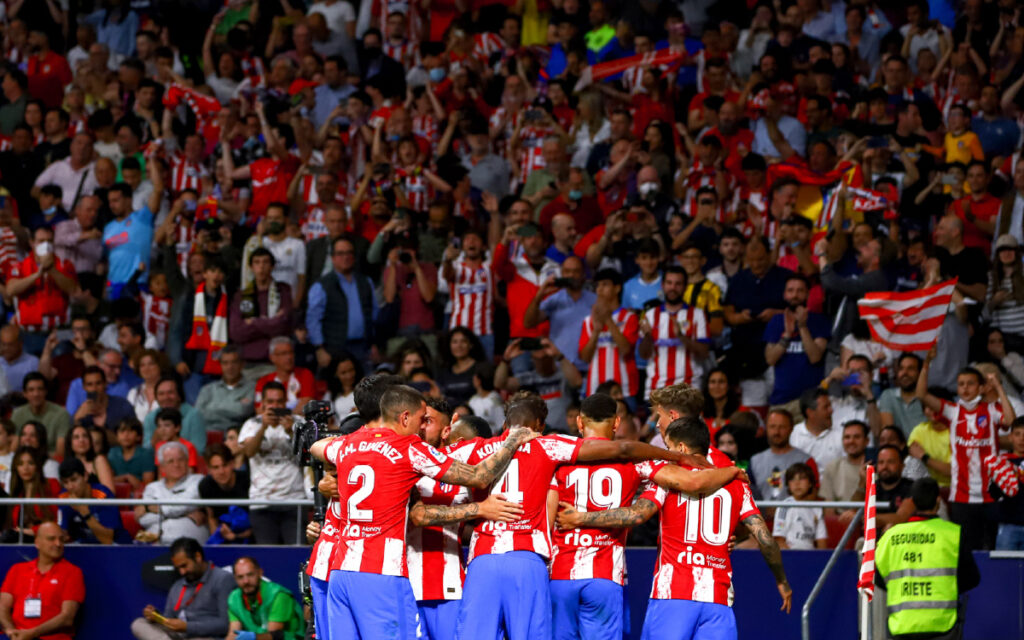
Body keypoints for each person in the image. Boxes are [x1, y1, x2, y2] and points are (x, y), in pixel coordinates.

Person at [453, 393, 740, 640]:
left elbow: (548, 509)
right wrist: (733, 472)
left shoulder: (557, 462)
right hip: (605, 576)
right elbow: (691, 484)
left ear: (579, 422)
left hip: (558, 573)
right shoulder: (628, 461)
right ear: (616, 423)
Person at [307, 386, 538, 640]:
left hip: (340, 574)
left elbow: (317, 447)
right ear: (404, 417)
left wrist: (331, 478)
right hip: (381, 574)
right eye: (420, 420)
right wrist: (512, 440)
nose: (420, 429)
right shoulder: (410, 448)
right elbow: (479, 477)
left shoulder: (349, 444)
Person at [555, 416, 792, 640]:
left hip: (673, 595)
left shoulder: (667, 479)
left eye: (668, 447)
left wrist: (581, 518)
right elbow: (765, 539)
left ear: (680, 448)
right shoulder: (737, 483)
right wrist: (782, 581)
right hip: (718, 601)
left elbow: (636, 515)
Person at [917, 349, 1016, 550]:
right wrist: (926, 364)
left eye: (970, 384)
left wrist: (997, 385)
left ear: (981, 388)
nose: (965, 388)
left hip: (991, 495)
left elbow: (1011, 420)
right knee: (967, 550)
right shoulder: (951, 411)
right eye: (961, 384)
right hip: (962, 496)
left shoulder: (991, 410)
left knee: (991, 549)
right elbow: (921, 394)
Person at [875, 478, 980, 640]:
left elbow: (878, 578)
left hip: (902, 626)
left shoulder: (890, 536)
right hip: (942, 626)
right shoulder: (953, 534)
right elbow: (972, 578)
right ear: (938, 500)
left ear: (912, 502)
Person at [238, 382, 306, 545]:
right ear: (263, 404)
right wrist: (263, 428)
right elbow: (248, 452)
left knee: (297, 557)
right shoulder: (252, 424)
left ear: (286, 403)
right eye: (270, 402)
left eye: (279, 402)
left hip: (294, 501)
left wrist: (291, 431)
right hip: (262, 502)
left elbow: (308, 455)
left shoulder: (299, 422)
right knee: (268, 556)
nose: (275, 406)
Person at [131, 537, 234, 640]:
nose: (182, 572)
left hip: (206, 637)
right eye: (178, 568)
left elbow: (225, 624)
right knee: (138, 624)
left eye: (184, 566)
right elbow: (169, 619)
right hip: (178, 635)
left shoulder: (222, 579)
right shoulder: (178, 585)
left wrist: (187, 627)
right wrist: (156, 617)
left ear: (198, 557)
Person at [0, 522, 84, 639]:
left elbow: (67, 617)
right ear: (37, 543)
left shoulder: (72, 572)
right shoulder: (17, 570)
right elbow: (2, 606)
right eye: (51, 539)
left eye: (61, 539)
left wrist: (31, 634)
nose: (58, 544)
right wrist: (10, 630)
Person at [639, 265, 712, 398]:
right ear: (663, 285)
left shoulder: (697, 315)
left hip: (689, 388)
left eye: (678, 284)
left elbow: (704, 353)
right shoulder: (650, 315)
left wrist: (681, 337)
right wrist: (648, 336)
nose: (673, 288)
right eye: (669, 283)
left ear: (685, 287)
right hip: (657, 389)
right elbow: (643, 354)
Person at [307, 234, 378, 368]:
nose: (345, 257)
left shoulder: (366, 282)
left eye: (349, 253)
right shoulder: (322, 285)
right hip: (334, 349)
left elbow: (373, 315)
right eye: (340, 253)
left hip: (363, 348)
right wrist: (319, 348)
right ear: (332, 258)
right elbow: (313, 319)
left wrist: (374, 343)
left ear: (354, 256)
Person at [5, 226, 78, 356]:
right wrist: (37, 275)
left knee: (62, 369)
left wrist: (52, 270)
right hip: (29, 334)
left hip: (59, 332)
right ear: (32, 242)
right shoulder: (19, 266)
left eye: (49, 241)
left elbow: (72, 288)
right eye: (41, 241)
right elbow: (11, 290)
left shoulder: (65, 264)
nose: (46, 245)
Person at [763, 274, 830, 411]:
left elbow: (815, 357)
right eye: (790, 290)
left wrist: (802, 326)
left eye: (800, 291)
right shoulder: (776, 321)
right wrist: (787, 335)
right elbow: (770, 359)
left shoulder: (819, 321)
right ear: (784, 294)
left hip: (810, 403)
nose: (795, 295)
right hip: (781, 400)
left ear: (807, 294)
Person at [579, 269, 639, 398]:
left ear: (617, 288)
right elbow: (584, 357)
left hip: (624, 390)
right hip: (595, 389)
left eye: (605, 284)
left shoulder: (629, 317)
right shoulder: (588, 321)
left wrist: (608, 320)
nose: (599, 289)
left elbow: (626, 350)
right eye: (598, 285)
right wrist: (595, 332)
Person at [229, 247, 295, 364]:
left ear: (272, 266)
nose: (261, 267)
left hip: (276, 362)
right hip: (248, 362)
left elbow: (282, 327)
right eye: (257, 262)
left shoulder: (283, 291)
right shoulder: (241, 295)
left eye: (265, 262)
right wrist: (269, 321)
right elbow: (236, 333)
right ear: (251, 267)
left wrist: (253, 322)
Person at [135, 442, 207, 545]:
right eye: (170, 461)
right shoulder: (152, 488)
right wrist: (184, 514)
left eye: (180, 460)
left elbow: (184, 505)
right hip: (157, 542)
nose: (176, 465)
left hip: (188, 543)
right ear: (162, 467)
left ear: (187, 461)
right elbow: (144, 520)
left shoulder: (199, 481)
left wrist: (150, 508)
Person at [227, 557, 304, 640]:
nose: (246, 581)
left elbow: (274, 636)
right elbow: (233, 634)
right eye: (240, 577)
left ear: (260, 573)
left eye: (250, 575)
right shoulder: (234, 598)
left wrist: (253, 637)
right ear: (235, 578)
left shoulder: (278, 595)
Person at [56, 457, 129, 544]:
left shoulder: (103, 495)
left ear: (85, 476)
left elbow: (107, 540)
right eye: (65, 482)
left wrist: (84, 512)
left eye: (74, 480)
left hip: (116, 546)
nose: (70, 486)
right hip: (84, 545)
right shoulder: (64, 496)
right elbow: (64, 534)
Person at [749, 409, 817, 502]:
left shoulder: (805, 460)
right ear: (766, 428)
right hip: (761, 516)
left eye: (782, 427)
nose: (776, 432)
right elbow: (747, 494)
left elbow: (814, 494)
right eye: (772, 427)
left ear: (791, 428)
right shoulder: (755, 461)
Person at [194, 345, 255, 433]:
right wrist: (231, 416)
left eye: (234, 362)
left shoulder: (252, 387)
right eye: (225, 363)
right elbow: (198, 414)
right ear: (220, 365)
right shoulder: (207, 389)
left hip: (236, 436)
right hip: (208, 435)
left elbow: (241, 411)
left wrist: (211, 409)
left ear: (242, 364)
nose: (230, 367)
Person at [141, 375, 207, 454]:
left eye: (170, 392)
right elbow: (145, 450)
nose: (166, 397)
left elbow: (199, 449)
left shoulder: (194, 415)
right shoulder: (150, 417)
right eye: (161, 394)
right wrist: (153, 442)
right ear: (156, 398)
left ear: (179, 396)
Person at [199, 444, 251, 544]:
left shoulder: (247, 481)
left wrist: (236, 536)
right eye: (216, 467)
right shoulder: (205, 486)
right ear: (209, 470)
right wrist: (217, 542)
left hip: (250, 537)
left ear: (232, 464)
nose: (221, 472)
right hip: (223, 535)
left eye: (225, 465)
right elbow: (212, 518)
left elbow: (257, 522)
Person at [12, 372, 71, 459]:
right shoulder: (17, 414)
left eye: (40, 389)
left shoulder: (61, 414)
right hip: (22, 463)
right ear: (24, 393)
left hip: (50, 463)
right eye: (31, 390)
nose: (36, 394)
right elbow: (12, 449)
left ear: (46, 391)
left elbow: (60, 454)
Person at [772, 462, 829, 549]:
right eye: (792, 479)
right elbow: (779, 541)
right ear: (788, 484)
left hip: (810, 557)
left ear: (810, 483)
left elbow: (822, 542)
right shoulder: (784, 507)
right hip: (790, 557)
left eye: (802, 478)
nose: (797, 483)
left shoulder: (817, 509)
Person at [71, 365, 135, 433]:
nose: (94, 389)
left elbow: (134, 434)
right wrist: (76, 419)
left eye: (98, 383)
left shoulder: (122, 406)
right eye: (90, 384)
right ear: (84, 387)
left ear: (105, 384)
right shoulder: (81, 411)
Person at [791, 388, 844, 468]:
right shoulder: (793, 435)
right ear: (810, 413)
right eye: (826, 407)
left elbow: (865, 464)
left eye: (830, 405)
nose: (831, 410)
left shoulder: (843, 434)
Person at [879, 353, 928, 438]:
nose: (905, 373)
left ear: (920, 373)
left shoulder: (928, 399)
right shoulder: (888, 395)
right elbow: (889, 433)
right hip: (899, 449)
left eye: (910, 369)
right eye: (901, 368)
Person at [993, 418, 1024, 550]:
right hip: (1007, 526)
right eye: (1017, 434)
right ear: (1010, 437)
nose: (1022, 439)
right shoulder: (1001, 463)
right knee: (1003, 569)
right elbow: (994, 494)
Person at [819, 421, 869, 503]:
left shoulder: (878, 466)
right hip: (839, 515)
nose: (851, 441)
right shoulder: (832, 467)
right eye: (847, 437)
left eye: (856, 437)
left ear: (866, 441)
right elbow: (829, 510)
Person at [108, 418, 156, 493]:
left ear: (138, 436)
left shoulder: (146, 454)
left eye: (130, 431)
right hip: (116, 494)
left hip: (141, 495)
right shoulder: (112, 453)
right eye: (122, 431)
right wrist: (126, 477)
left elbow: (148, 485)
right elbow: (107, 480)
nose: (126, 435)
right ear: (117, 436)